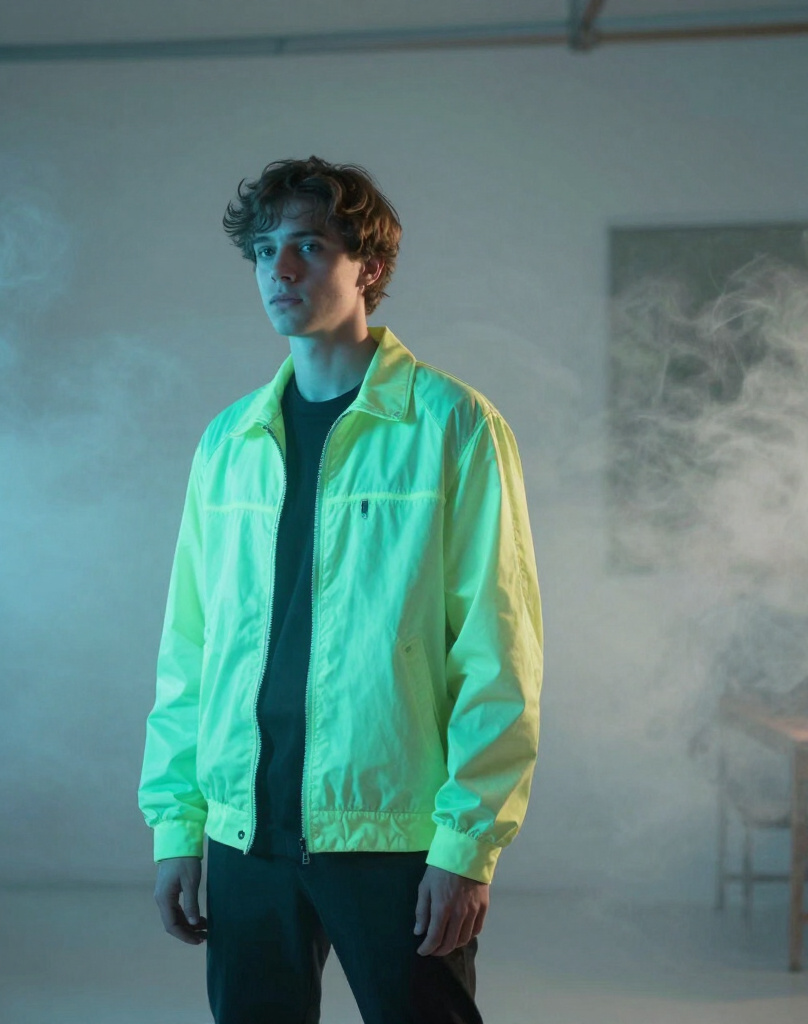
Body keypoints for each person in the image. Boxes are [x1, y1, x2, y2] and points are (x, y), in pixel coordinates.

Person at [139, 156, 543, 1024]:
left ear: (371, 268)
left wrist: (466, 847)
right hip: (245, 829)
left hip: (391, 831)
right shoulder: (229, 443)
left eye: (309, 247)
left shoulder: (453, 426)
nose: (279, 270)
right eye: (265, 250)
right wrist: (178, 824)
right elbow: (191, 649)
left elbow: (497, 650)